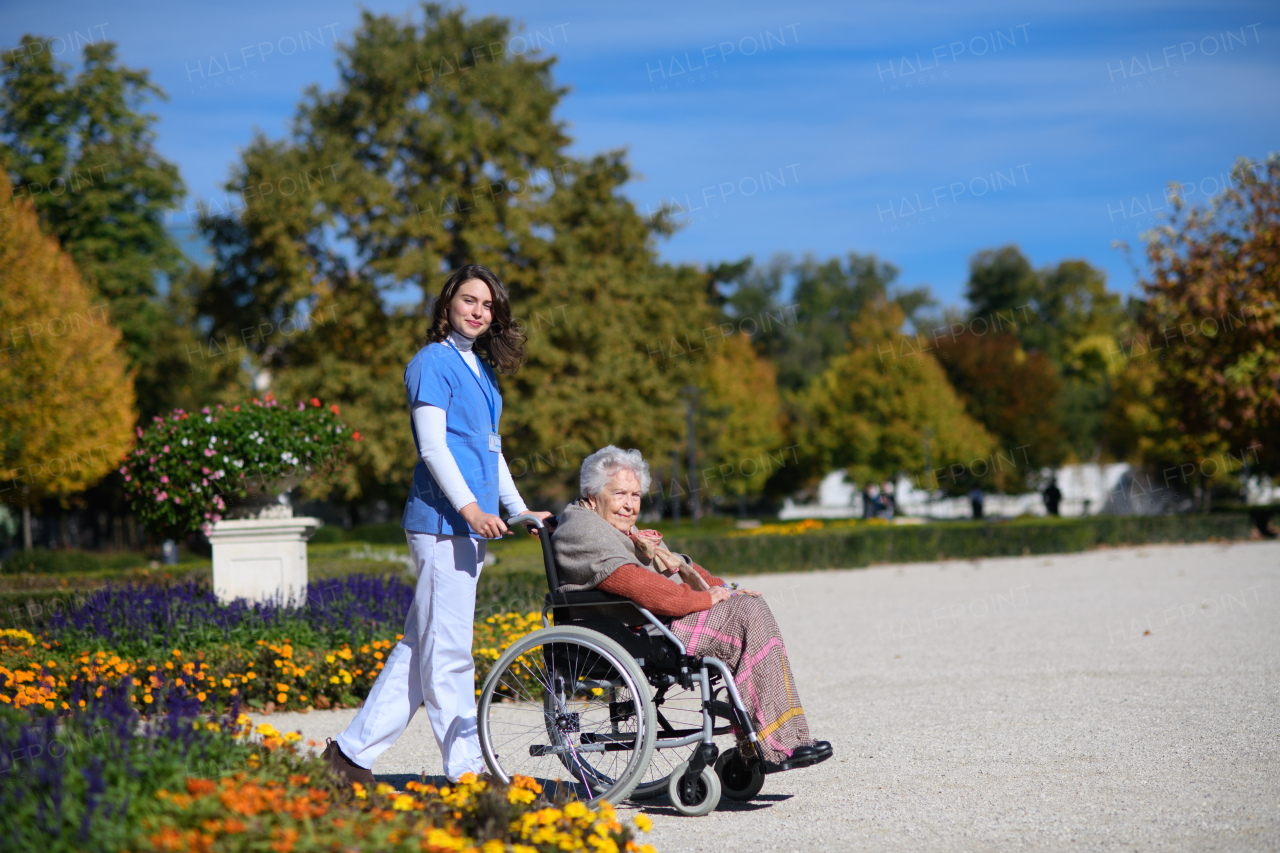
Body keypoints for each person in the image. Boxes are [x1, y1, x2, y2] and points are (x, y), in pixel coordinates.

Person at [324, 265, 551, 786]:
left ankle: (348, 758)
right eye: (469, 300)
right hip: (440, 523)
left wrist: (517, 508)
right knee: (448, 650)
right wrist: (472, 509)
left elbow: (490, 453)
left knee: (420, 646)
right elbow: (432, 446)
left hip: (466, 526)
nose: (478, 311)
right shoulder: (432, 362)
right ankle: (468, 771)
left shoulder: (483, 372)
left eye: (488, 305)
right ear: (447, 303)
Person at [551, 446, 832, 772]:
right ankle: (777, 745)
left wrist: (726, 590)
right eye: (619, 494)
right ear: (592, 493)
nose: (629, 505)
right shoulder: (583, 530)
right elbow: (639, 586)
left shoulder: (619, 530)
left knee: (748, 605)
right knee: (746, 614)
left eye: (636, 495)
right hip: (632, 635)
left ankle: (768, 743)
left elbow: (677, 567)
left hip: (649, 625)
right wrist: (705, 599)